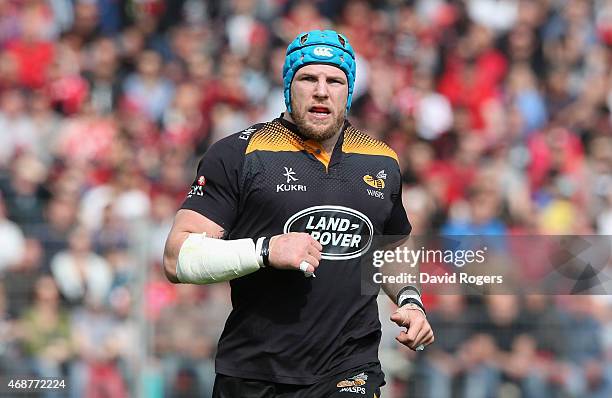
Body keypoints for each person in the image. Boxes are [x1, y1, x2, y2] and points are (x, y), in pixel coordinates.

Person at [163, 29, 434, 397]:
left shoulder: (381, 159)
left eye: (335, 80)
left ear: (349, 91)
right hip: (254, 371)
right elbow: (177, 257)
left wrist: (410, 300)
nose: (322, 90)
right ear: (289, 86)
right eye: (308, 78)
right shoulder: (238, 154)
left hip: (348, 368)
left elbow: (392, 243)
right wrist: (264, 251)